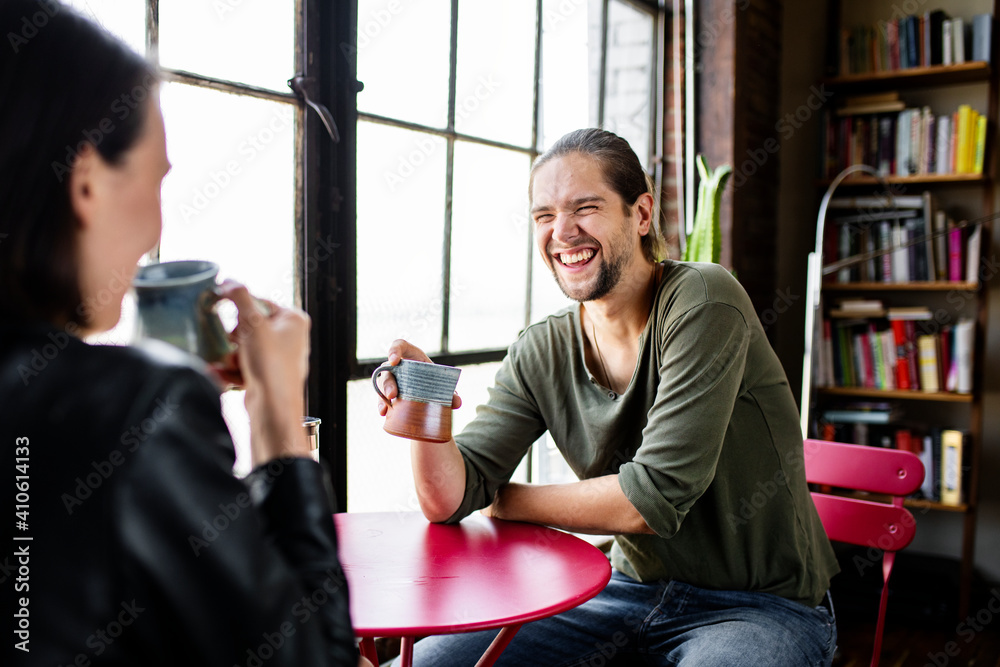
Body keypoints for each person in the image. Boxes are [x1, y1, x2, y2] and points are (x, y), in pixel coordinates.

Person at [377, 128, 840, 666]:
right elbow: (450, 498)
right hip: (621, 592)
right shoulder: (541, 349)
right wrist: (425, 405)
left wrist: (503, 498)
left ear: (641, 214)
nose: (562, 232)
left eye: (585, 207)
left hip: (762, 607)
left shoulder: (704, 300)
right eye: (544, 215)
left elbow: (655, 497)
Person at [0, 2, 365, 665]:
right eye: (157, 178)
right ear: (85, 181)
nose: (152, 230)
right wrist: (278, 416)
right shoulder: (135, 409)